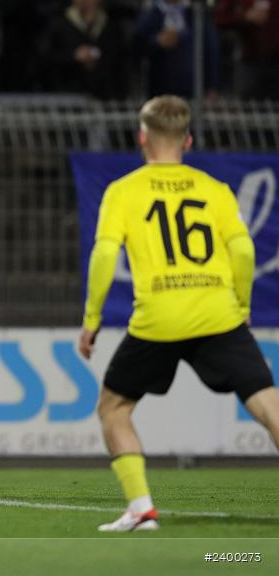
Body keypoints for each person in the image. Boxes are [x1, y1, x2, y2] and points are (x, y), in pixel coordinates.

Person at [79, 95, 279, 531]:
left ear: (142, 138)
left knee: (114, 409)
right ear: (187, 140)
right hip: (218, 315)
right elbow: (243, 250)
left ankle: (141, 508)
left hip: (159, 319)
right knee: (269, 406)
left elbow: (104, 254)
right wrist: (242, 304)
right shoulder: (215, 189)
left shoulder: (123, 191)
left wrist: (92, 318)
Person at [133, 0, 219, 99]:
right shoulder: (150, 15)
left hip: (194, 90)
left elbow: (211, 50)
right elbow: (136, 48)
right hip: (160, 91)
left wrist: (213, 86)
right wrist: (157, 42)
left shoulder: (197, 12)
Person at [41, 0, 126, 100]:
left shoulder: (111, 26)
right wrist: (73, 56)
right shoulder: (59, 25)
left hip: (105, 98)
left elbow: (120, 61)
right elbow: (45, 58)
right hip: (67, 96)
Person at [214, 0, 279, 100]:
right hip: (249, 64)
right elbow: (220, 20)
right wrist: (245, 17)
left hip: (276, 63)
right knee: (248, 113)